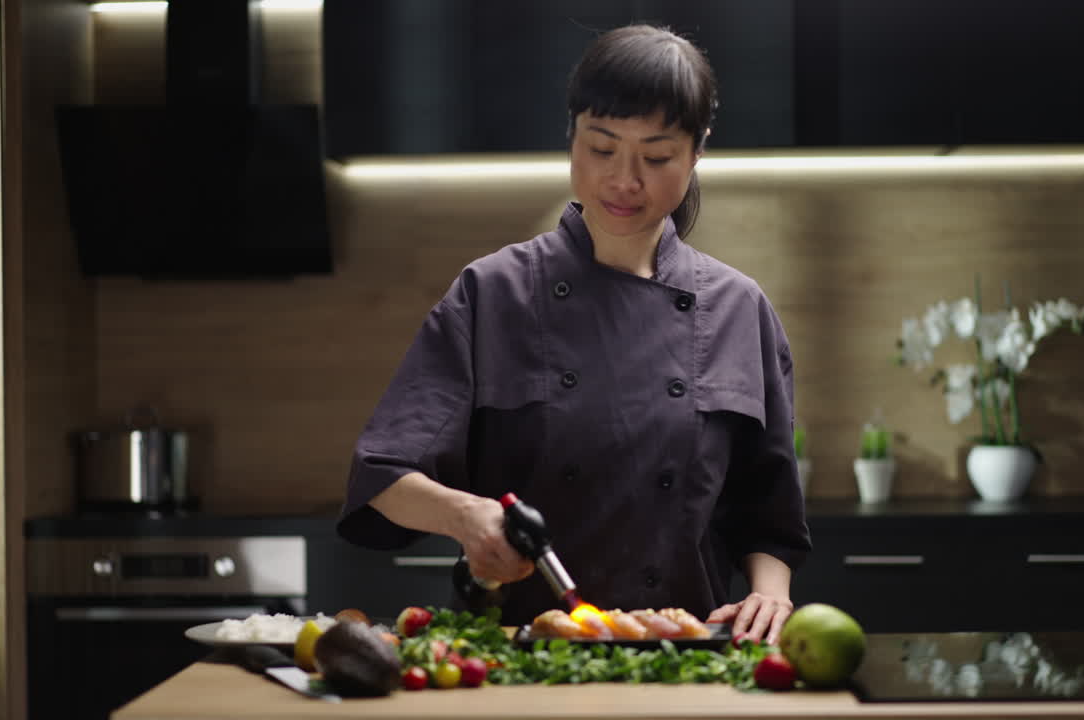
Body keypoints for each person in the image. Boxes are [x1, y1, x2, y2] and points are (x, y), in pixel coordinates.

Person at [337, 23, 810, 646]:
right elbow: (381, 476)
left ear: (697, 152)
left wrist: (769, 595)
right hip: (518, 658)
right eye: (602, 147)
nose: (624, 178)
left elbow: (769, 518)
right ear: (572, 137)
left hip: (683, 653)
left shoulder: (739, 309)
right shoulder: (493, 293)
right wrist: (467, 516)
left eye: (658, 155)